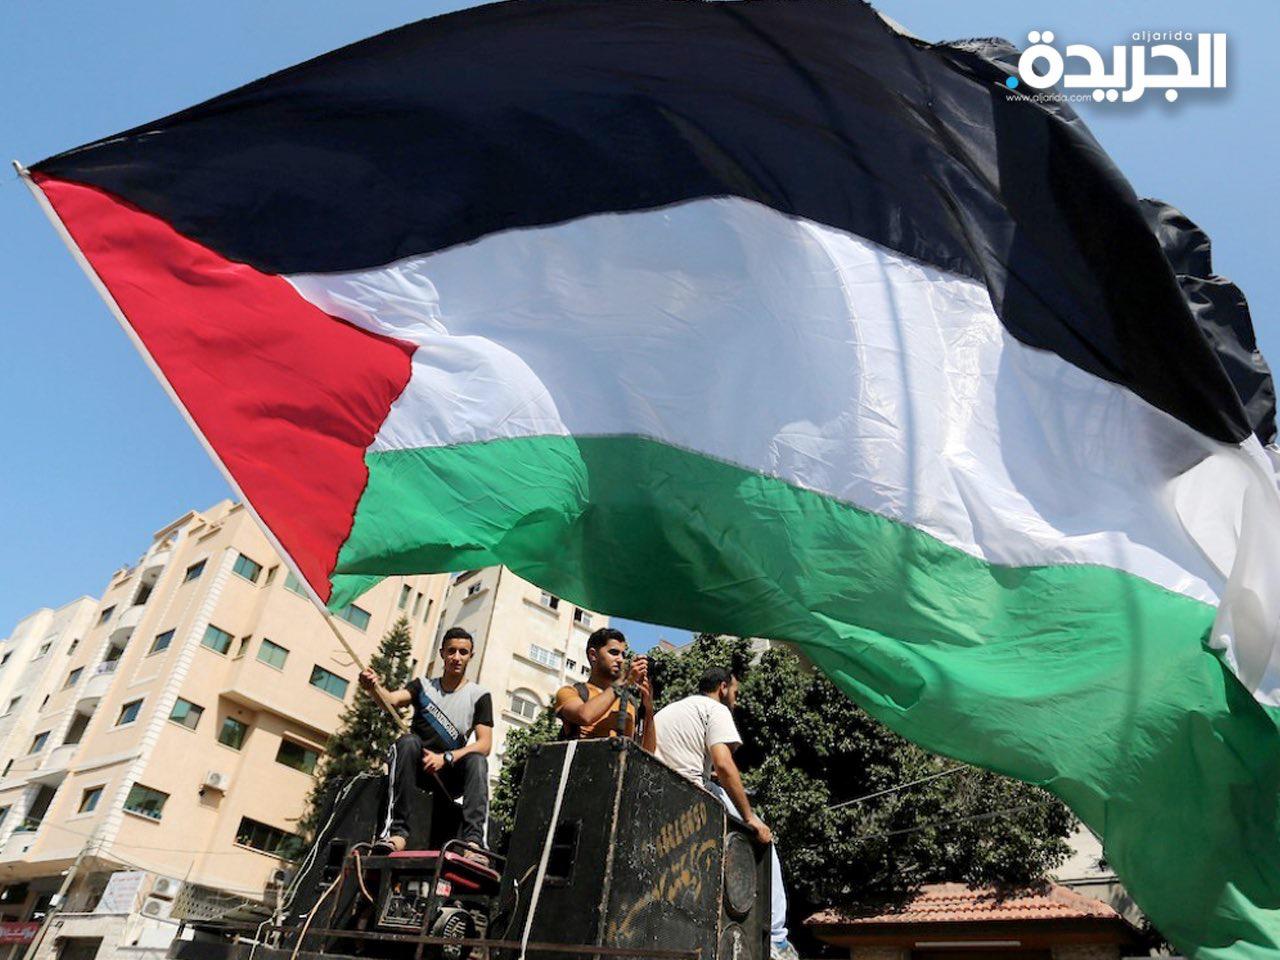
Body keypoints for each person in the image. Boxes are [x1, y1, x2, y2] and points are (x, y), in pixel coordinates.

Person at [653, 667, 798, 960]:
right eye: (735, 692)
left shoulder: (669, 710)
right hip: (694, 790)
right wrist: (749, 817)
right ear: (722, 687)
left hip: (661, 796)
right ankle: (777, 940)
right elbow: (723, 763)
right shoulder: (715, 709)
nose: (736, 700)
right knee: (764, 842)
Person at [359, 626, 493, 854]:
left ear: (471, 656)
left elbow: (485, 745)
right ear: (442, 653)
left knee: (478, 760)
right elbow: (391, 700)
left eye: (463, 652)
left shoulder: (479, 696)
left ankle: (474, 844)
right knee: (407, 741)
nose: (457, 657)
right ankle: (396, 834)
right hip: (416, 769)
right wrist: (373, 688)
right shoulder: (422, 686)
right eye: (451, 651)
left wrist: (446, 758)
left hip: (450, 777)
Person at [554, 627, 656, 752]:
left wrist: (648, 708)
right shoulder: (570, 692)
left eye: (623, 654)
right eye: (614, 653)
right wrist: (624, 681)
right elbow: (584, 716)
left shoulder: (630, 703)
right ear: (593, 655)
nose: (620, 659)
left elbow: (648, 752)